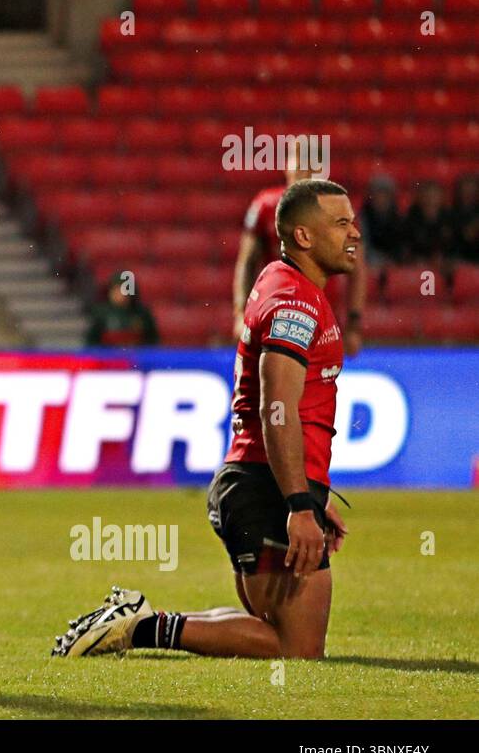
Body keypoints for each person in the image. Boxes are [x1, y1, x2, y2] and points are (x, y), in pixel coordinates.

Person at [53, 179, 356, 659]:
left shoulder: (284, 283)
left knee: (272, 630)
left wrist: (314, 492)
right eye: (341, 223)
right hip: (267, 490)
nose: (353, 233)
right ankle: (139, 627)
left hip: (263, 483)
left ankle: (139, 620)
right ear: (304, 236)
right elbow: (275, 409)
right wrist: (299, 502)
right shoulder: (295, 303)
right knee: (297, 648)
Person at [233, 156, 364, 356]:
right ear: (287, 170)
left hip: (323, 323)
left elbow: (357, 269)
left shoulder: (338, 213)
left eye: (309, 172)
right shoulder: (265, 207)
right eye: (299, 170)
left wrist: (353, 324)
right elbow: (246, 262)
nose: (302, 177)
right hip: (276, 320)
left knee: (316, 385)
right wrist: (241, 313)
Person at [84, 271, 158, 346]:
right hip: (108, 356)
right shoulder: (100, 313)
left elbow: (153, 341)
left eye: (124, 290)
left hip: (137, 356)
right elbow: (91, 343)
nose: (120, 294)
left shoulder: (142, 313)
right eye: (116, 290)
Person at [402, 181, 454, 263]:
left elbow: (452, 244)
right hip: (417, 261)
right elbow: (407, 244)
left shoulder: (448, 217)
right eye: (428, 196)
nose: (431, 200)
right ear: (421, 198)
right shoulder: (412, 216)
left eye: (434, 196)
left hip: (444, 261)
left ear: (441, 198)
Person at [359, 176, 405, 266]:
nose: (382, 199)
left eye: (385, 195)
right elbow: (363, 246)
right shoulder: (363, 218)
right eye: (378, 195)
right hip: (369, 263)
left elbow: (401, 245)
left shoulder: (398, 219)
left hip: (393, 264)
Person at [452, 175, 479, 262]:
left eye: (472, 189)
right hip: (459, 256)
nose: (469, 193)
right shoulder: (451, 212)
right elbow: (466, 236)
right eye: (466, 189)